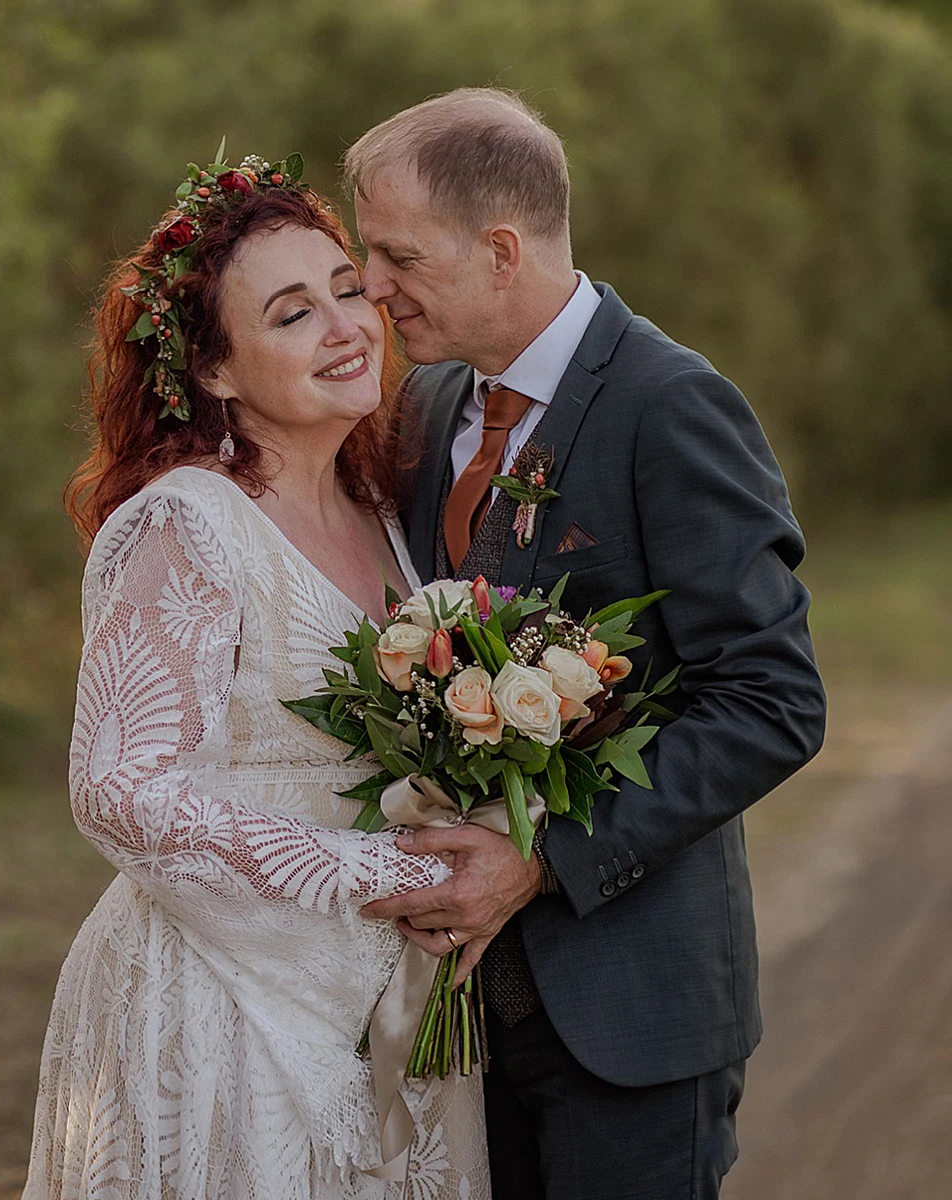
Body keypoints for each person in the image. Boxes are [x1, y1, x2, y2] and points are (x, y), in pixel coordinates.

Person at [348, 89, 827, 1200]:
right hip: (456, 1030)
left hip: (633, 1015)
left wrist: (544, 855)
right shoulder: (425, 408)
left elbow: (771, 699)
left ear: (501, 249)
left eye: (395, 255)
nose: (371, 285)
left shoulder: (673, 406)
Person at [21, 158, 490, 1199]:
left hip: (376, 1002)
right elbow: (119, 787)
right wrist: (393, 879)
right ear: (217, 373)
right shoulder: (188, 521)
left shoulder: (383, 516)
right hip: (220, 1011)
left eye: (345, 288)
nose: (346, 325)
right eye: (291, 314)